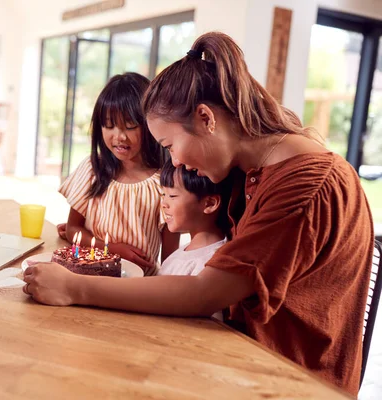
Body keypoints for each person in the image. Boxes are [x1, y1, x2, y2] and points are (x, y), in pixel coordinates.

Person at [23, 32, 373, 395]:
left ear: (206, 118)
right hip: (239, 353)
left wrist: (75, 287)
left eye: (170, 145)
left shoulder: (305, 184)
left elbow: (205, 293)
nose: (174, 162)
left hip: (288, 380)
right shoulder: (250, 168)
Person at [56, 72, 180, 274]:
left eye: (130, 126)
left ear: (150, 125)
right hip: (87, 277)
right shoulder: (92, 169)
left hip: (138, 287)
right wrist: (111, 249)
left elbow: (169, 260)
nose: (119, 136)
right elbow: (73, 229)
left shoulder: (165, 183)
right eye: (109, 125)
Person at [158, 162, 232, 320]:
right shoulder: (180, 254)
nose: (164, 204)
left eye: (172, 196)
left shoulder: (212, 263)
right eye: (162, 195)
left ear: (210, 203)